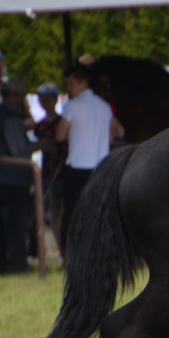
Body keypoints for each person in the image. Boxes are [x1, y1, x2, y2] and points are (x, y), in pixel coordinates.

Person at [57, 63, 114, 256]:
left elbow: (59, 135)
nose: (69, 88)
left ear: (82, 83)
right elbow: (112, 134)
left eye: (71, 83)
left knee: (72, 213)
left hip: (78, 167)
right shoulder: (105, 107)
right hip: (101, 167)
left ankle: (69, 253)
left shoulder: (72, 106)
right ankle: (101, 251)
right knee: (99, 213)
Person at [0, 79, 34, 274]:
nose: (21, 99)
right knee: (15, 225)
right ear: (12, 96)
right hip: (11, 180)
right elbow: (19, 150)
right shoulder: (12, 118)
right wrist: (39, 146)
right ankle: (17, 264)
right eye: (19, 95)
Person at [33, 82, 67, 256]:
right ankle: (62, 252)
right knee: (53, 213)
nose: (44, 102)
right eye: (41, 99)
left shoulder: (63, 122)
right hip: (48, 174)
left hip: (64, 173)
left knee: (64, 213)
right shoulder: (39, 126)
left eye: (47, 98)